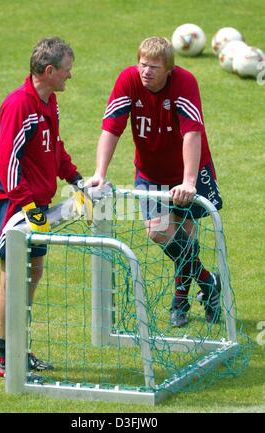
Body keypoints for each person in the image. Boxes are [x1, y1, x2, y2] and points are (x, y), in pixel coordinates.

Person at [87, 36, 223, 328]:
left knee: (186, 234)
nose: (146, 71)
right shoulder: (128, 81)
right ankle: (209, 281)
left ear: (169, 69)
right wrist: (100, 172)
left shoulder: (185, 83)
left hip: (188, 171)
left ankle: (180, 302)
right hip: (150, 173)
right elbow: (111, 128)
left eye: (153, 67)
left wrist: (188, 182)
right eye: (142, 65)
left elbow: (192, 134)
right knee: (159, 232)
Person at [0, 37, 91, 377]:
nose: (69, 77)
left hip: (37, 204)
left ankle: (20, 347)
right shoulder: (19, 105)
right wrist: (27, 206)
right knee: (12, 278)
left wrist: (74, 178)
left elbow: (54, 147)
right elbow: (7, 162)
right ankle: (6, 357)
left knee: (33, 273)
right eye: (66, 70)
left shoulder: (50, 103)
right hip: (13, 205)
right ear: (49, 71)